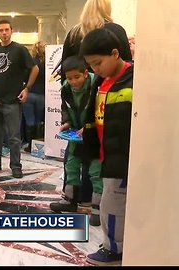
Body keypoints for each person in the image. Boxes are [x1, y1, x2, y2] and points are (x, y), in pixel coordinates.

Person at [60, 0, 133, 208]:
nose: (95, 68)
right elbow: (127, 69)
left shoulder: (74, 33)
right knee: (94, 156)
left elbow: (63, 70)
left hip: (89, 104)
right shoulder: (114, 31)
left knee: (81, 154)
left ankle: (76, 198)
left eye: (97, 63)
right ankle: (94, 201)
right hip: (104, 102)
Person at [80, 27, 133, 266]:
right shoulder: (100, 81)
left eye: (98, 62)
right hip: (106, 154)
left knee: (111, 205)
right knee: (111, 202)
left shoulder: (135, 79)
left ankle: (114, 250)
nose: (94, 69)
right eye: (90, 64)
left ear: (115, 53)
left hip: (124, 157)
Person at [0, 19, 39, 178]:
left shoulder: (20, 49)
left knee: (13, 136)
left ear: (11, 31)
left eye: (6, 30)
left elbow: (35, 69)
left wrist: (27, 88)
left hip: (12, 100)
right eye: (1, 30)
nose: (4, 33)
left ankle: (16, 166)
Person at [49, 55, 102, 227]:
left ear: (86, 73)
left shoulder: (97, 85)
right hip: (75, 136)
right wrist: (67, 122)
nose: (73, 82)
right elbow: (65, 107)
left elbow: (100, 110)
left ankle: (97, 209)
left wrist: (88, 127)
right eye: (69, 78)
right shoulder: (65, 88)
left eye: (76, 77)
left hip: (94, 137)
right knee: (71, 165)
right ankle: (69, 200)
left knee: (95, 171)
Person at [23, 41, 46, 152]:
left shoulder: (31, 62)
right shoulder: (49, 63)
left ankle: (30, 145)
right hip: (43, 95)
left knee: (29, 120)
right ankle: (38, 146)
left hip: (30, 93)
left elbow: (24, 77)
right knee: (38, 120)